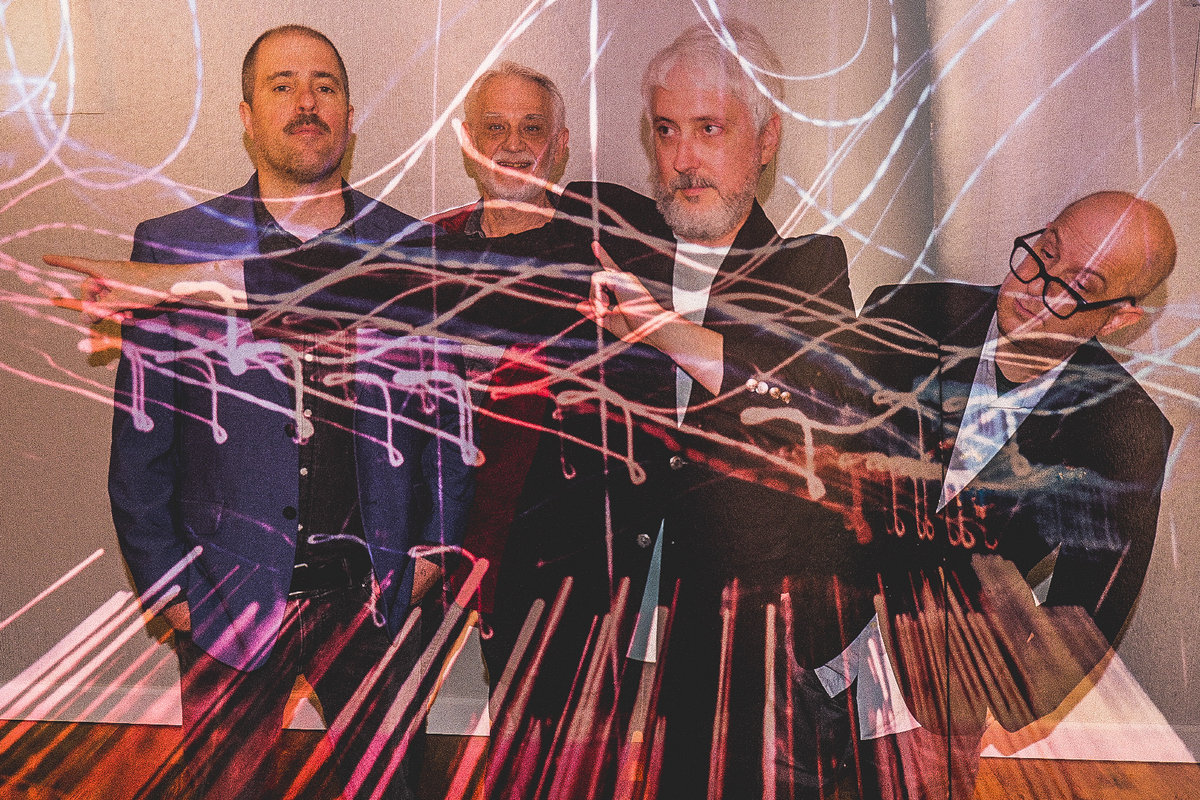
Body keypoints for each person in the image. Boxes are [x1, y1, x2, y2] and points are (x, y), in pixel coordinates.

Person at [107, 25, 473, 800]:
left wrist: (434, 550)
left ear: (349, 116)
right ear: (247, 115)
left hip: (371, 601)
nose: (306, 102)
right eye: (282, 85)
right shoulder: (175, 250)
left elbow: (448, 418)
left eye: (324, 86)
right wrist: (168, 587)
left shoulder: (412, 250)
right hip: (222, 600)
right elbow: (142, 438)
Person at [585, 20, 872, 800]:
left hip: (742, 630)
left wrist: (657, 327)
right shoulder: (612, 242)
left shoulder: (810, 269)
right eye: (666, 130)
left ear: (767, 139)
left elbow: (807, 391)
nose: (682, 158)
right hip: (603, 612)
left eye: (709, 129)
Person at [828, 191, 1175, 800]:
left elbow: (1086, 620)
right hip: (804, 636)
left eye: (1078, 284)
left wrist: (990, 691)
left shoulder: (1126, 432)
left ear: (1120, 317)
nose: (1035, 286)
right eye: (1045, 252)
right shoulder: (909, 312)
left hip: (934, 702)